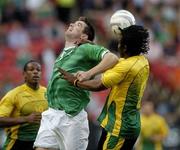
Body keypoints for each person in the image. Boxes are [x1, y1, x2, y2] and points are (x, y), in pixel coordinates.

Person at [59, 25, 150, 150]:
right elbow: (116, 62)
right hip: (124, 123)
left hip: (119, 128)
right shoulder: (142, 61)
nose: (118, 46)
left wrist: (74, 82)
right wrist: (93, 46)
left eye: (120, 43)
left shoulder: (126, 67)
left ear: (125, 47)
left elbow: (98, 85)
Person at [34, 16, 118, 150]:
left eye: (78, 25)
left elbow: (112, 58)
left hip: (72, 116)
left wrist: (89, 73)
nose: (72, 24)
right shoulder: (64, 53)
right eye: (74, 22)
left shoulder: (86, 48)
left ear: (84, 37)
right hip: (52, 112)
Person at [0, 60, 48, 150]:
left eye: (38, 70)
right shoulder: (14, 94)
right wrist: (26, 119)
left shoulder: (47, 93)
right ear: (24, 74)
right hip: (17, 143)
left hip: (39, 142)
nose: (35, 72)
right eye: (31, 69)